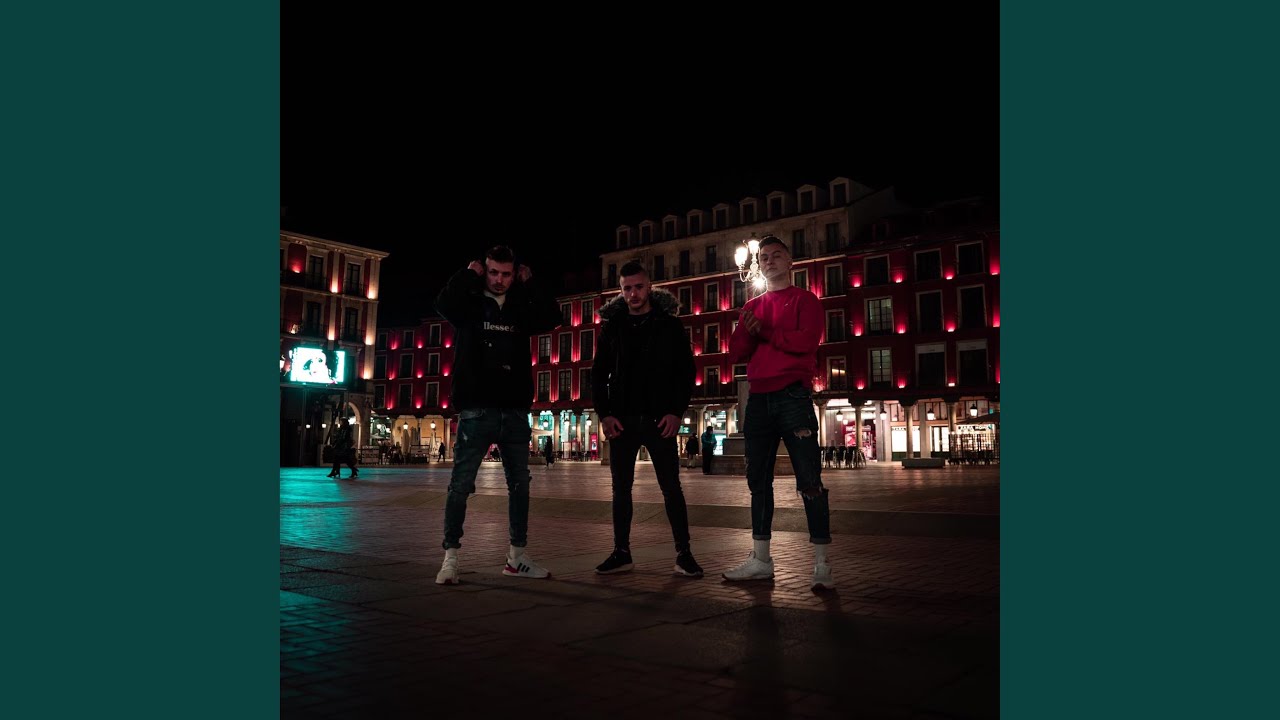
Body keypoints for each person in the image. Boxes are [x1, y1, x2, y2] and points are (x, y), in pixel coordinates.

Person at [432, 245, 561, 585]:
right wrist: (466, 275)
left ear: (514, 274)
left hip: (515, 410)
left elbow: (553, 316)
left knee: (520, 486)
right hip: (476, 409)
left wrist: (531, 283)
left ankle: (517, 558)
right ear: (484, 270)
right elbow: (442, 304)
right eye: (493, 272)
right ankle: (450, 559)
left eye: (506, 274)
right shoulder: (469, 303)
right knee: (460, 485)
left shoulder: (520, 307)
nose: (499, 280)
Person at [723, 235, 834, 590]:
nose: (769, 261)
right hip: (758, 399)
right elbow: (736, 352)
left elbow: (806, 342)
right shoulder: (752, 305)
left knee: (809, 480)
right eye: (764, 258)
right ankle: (761, 560)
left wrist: (766, 332)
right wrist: (749, 330)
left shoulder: (806, 300)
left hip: (793, 397)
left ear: (790, 262)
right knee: (757, 480)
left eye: (776, 256)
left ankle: (822, 565)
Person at [591, 261, 702, 577]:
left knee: (671, 488)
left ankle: (684, 554)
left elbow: (686, 372)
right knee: (620, 490)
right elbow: (598, 375)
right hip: (622, 421)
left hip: (659, 420)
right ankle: (621, 552)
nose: (633, 294)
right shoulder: (612, 327)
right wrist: (605, 415)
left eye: (638, 287)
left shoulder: (669, 325)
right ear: (620, 290)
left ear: (649, 287)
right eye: (627, 288)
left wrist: (676, 412)